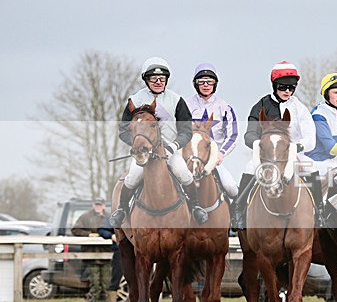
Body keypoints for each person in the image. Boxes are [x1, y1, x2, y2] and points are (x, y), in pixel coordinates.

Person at [109, 56, 208, 227]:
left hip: (169, 151)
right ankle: (122, 209)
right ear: (146, 80)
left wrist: (173, 147)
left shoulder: (176, 100)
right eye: (153, 78)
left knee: (183, 173)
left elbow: (186, 131)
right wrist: (138, 145)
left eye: (162, 78)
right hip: (143, 154)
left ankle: (195, 206)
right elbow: (123, 131)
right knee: (132, 177)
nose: (158, 82)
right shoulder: (135, 100)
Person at [234, 61, 316, 229]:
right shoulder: (261, 106)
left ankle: (320, 213)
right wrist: (258, 144)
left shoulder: (300, 109)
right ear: (274, 85)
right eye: (283, 87)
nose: (287, 91)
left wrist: (298, 147)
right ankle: (239, 212)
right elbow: (249, 134)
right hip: (266, 154)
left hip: (292, 154)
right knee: (250, 167)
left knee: (312, 167)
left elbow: (311, 138)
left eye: (291, 88)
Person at [185, 63, 240, 199]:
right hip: (189, 160)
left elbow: (232, 135)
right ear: (195, 84)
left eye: (209, 81)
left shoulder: (225, 107)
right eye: (201, 81)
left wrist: (221, 154)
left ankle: (237, 218)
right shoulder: (185, 105)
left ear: (215, 84)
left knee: (231, 187)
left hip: (213, 160)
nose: (205, 85)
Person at [71, 198, 110, 302]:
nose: (98, 207)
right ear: (93, 205)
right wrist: (89, 234)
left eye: (100, 205)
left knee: (107, 281)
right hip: (91, 253)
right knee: (95, 281)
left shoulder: (109, 217)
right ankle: (93, 301)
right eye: (96, 205)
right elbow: (75, 230)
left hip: (107, 253)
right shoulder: (85, 217)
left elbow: (117, 230)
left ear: (104, 206)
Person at [97, 214, 121, 302]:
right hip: (121, 251)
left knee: (137, 279)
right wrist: (112, 236)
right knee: (116, 277)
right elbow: (102, 230)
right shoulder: (116, 214)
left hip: (137, 251)